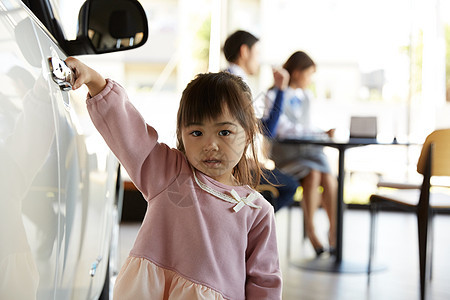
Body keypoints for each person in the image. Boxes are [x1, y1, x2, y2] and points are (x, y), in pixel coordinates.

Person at [65, 57, 282, 299]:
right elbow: (129, 132)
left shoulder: (257, 211)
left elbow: (265, 283)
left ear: (249, 134)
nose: (210, 145)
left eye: (224, 132)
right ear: (181, 134)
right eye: (196, 132)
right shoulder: (169, 172)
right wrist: (95, 81)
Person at [264, 51, 337, 256]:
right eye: (309, 73)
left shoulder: (306, 96)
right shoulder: (273, 95)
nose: (311, 79)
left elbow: (305, 124)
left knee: (328, 178)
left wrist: (319, 132)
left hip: (307, 152)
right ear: (296, 73)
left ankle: (333, 231)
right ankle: (312, 232)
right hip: (286, 154)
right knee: (314, 174)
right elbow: (282, 130)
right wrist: (319, 133)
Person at [223, 30, 299, 212]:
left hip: (227, 160)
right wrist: (281, 90)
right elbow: (267, 130)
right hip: (235, 166)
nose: (258, 60)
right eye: (257, 53)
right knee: (289, 186)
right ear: (244, 51)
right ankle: (254, 227)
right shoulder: (237, 84)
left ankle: (250, 222)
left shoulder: (222, 78)